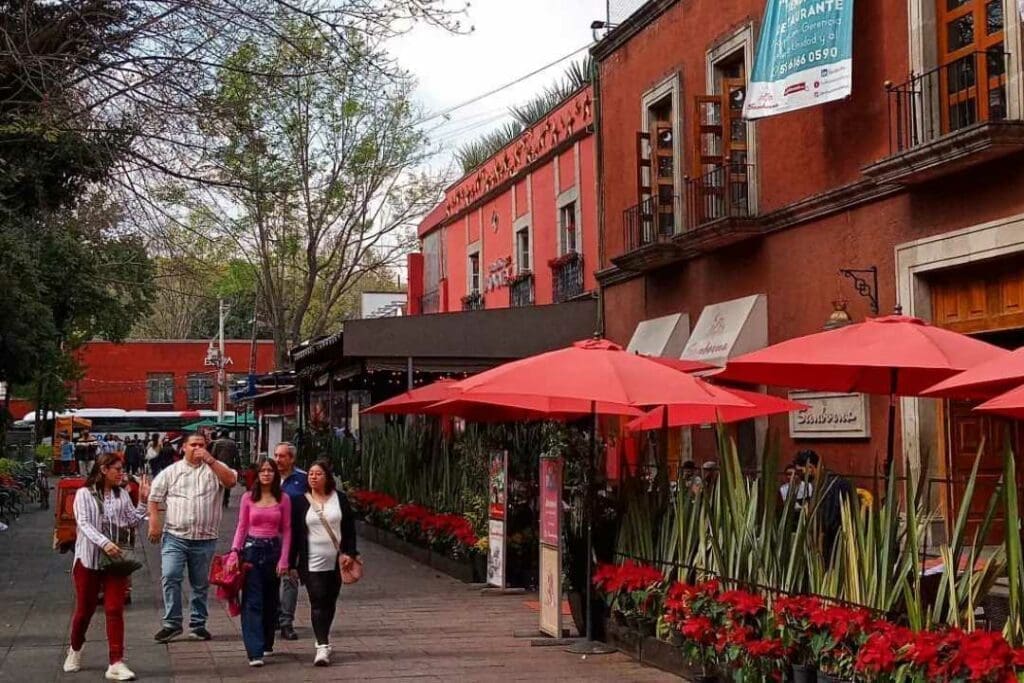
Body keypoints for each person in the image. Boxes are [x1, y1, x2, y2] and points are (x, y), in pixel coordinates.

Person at [64, 453, 150, 681]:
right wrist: (104, 543)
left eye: (122, 469)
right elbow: (83, 523)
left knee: (114, 609)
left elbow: (133, 521)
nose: (121, 473)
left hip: (115, 563)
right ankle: (75, 648)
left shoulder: (122, 494)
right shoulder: (84, 494)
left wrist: (142, 500)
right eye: (117, 469)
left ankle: (116, 661)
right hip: (89, 560)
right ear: (103, 469)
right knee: (85, 610)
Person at [147, 432, 238, 643]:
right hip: (175, 535)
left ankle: (198, 624)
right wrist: (154, 522)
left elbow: (231, 481)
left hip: (205, 538)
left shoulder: (215, 469)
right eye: (193, 444)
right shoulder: (172, 471)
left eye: (202, 444)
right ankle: (172, 623)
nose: (198, 448)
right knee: (170, 575)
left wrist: (211, 460)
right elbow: (154, 497)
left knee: (199, 583)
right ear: (183, 448)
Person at [289, 459, 357, 666]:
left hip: (336, 560)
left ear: (327, 477)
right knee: (317, 599)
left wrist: (350, 553)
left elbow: (349, 529)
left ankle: (324, 636)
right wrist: (292, 562)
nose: (313, 477)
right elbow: (294, 533)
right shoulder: (301, 502)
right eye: (310, 474)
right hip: (312, 560)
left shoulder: (340, 499)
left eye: (318, 474)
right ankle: (322, 644)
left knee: (329, 600)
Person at [230, 458, 291, 667]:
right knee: (252, 601)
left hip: (273, 550)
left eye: (270, 471)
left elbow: (288, 530)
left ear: (275, 474)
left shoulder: (283, 499)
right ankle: (254, 651)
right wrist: (234, 552)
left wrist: (285, 559)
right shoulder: (248, 497)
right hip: (252, 551)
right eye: (263, 471)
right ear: (257, 475)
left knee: (270, 601)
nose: (266, 474)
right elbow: (241, 526)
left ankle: (266, 642)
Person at [794, 449, 856, 562]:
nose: (799, 475)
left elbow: (829, 521)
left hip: (836, 545)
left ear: (810, 468)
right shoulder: (821, 484)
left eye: (800, 471)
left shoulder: (833, 485)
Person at [274, 442, 307, 642]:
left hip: (293, 535)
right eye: (276, 455)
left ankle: (286, 621)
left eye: (282, 456)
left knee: (289, 578)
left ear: (292, 459)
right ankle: (275, 616)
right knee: (270, 579)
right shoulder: (268, 477)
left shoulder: (302, 479)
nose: (278, 460)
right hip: (268, 535)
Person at [211, 431, 241, 509]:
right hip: (229, 465)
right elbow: (237, 456)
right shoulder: (232, 443)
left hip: (218, 465)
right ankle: (226, 500)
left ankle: (220, 499)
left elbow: (213, 455)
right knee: (228, 483)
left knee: (218, 482)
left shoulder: (217, 443)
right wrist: (238, 466)